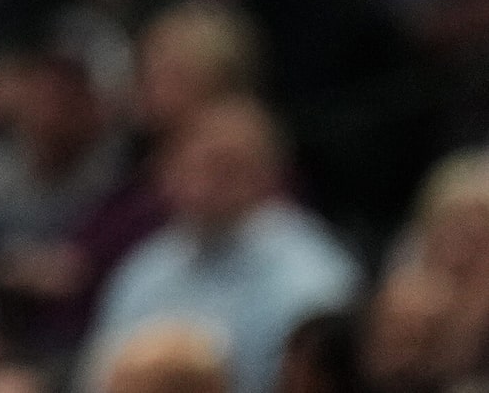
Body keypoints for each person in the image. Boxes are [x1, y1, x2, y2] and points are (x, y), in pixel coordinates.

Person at [80, 98, 360, 393]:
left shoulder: (314, 277)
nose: (202, 183)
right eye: (190, 165)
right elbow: (96, 379)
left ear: (269, 174)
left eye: (224, 167)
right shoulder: (145, 269)